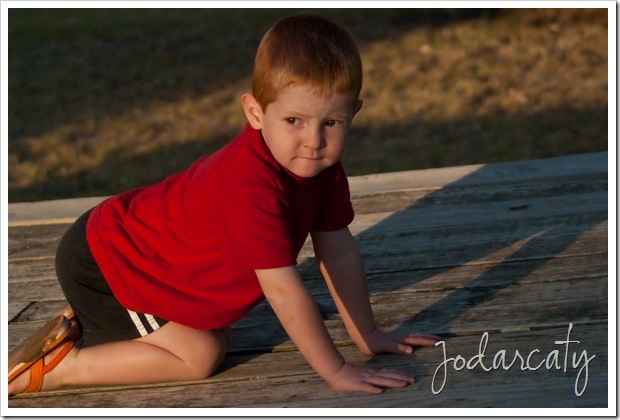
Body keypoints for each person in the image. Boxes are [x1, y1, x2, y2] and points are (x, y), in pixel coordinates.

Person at [8, 13, 439, 397]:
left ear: (354, 113)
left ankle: (106, 327)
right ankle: (60, 368)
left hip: (154, 259)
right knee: (200, 355)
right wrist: (338, 370)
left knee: (215, 334)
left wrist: (368, 334)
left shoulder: (320, 167)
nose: (314, 140)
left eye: (331, 122)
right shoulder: (250, 184)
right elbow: (283, 291)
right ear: (255, 112)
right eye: (294, 120)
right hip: (110, 261)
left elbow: (338, 251)